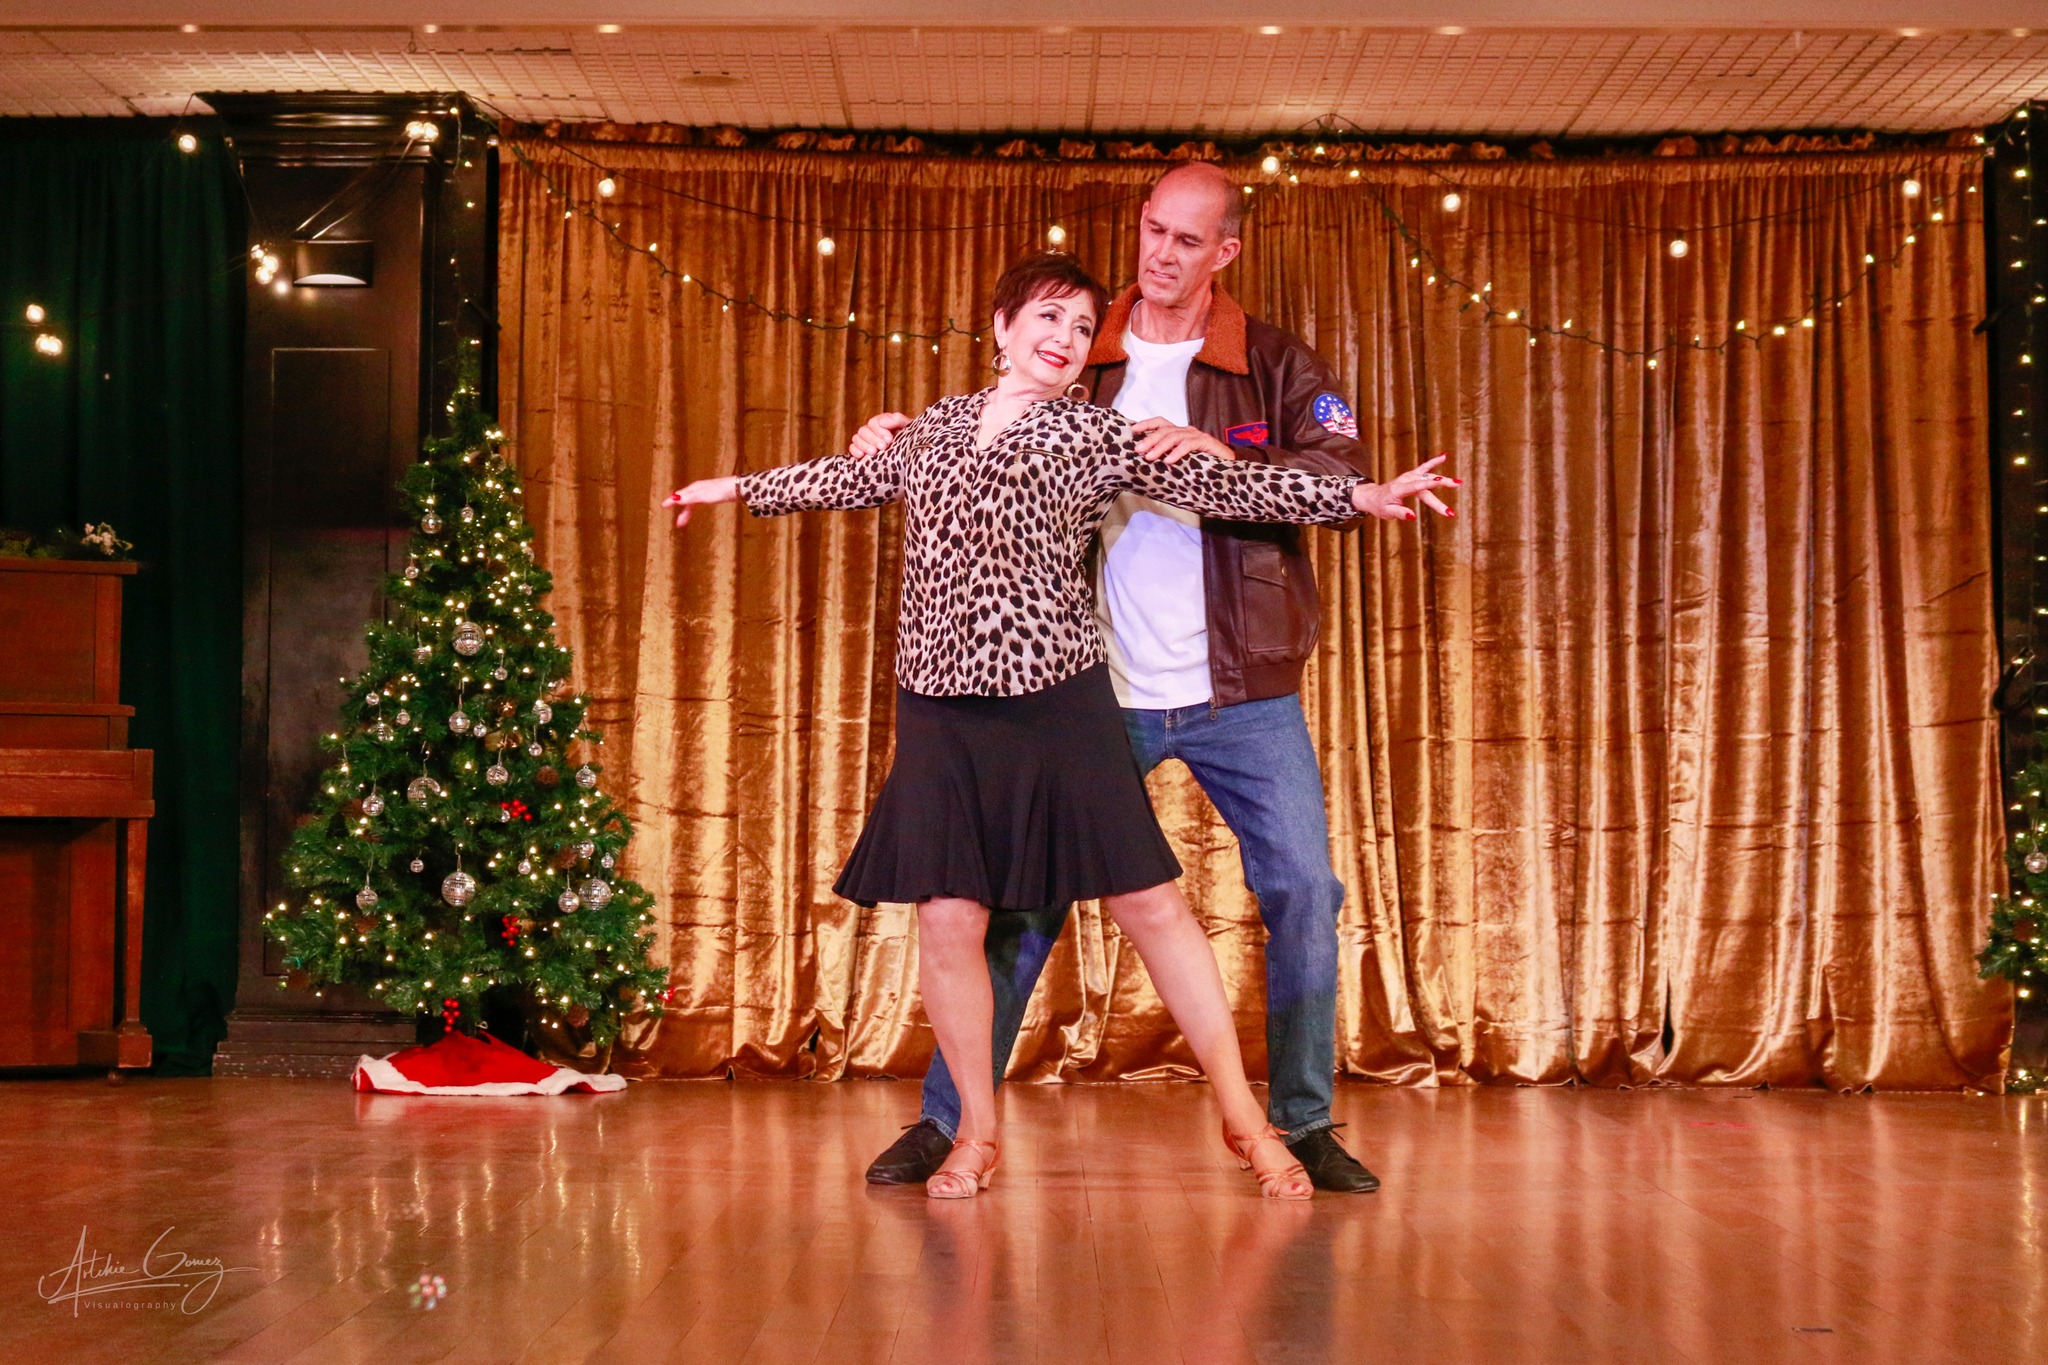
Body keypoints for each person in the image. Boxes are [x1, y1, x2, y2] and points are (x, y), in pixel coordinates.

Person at [665, 251, 1454, 1200]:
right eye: (1048, 317)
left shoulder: (1094, 433)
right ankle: (973, 1134)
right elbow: (843, 478)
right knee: (950, 919)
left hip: (1057, 702)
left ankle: (1248, 1122)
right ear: (1002, 326)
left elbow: (1233, 491)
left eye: (1082, 328)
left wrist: (1357, 495)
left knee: (1151, 906)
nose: (1066, 339)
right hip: (941, 709)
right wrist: (733, 488)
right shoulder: (934, 426)